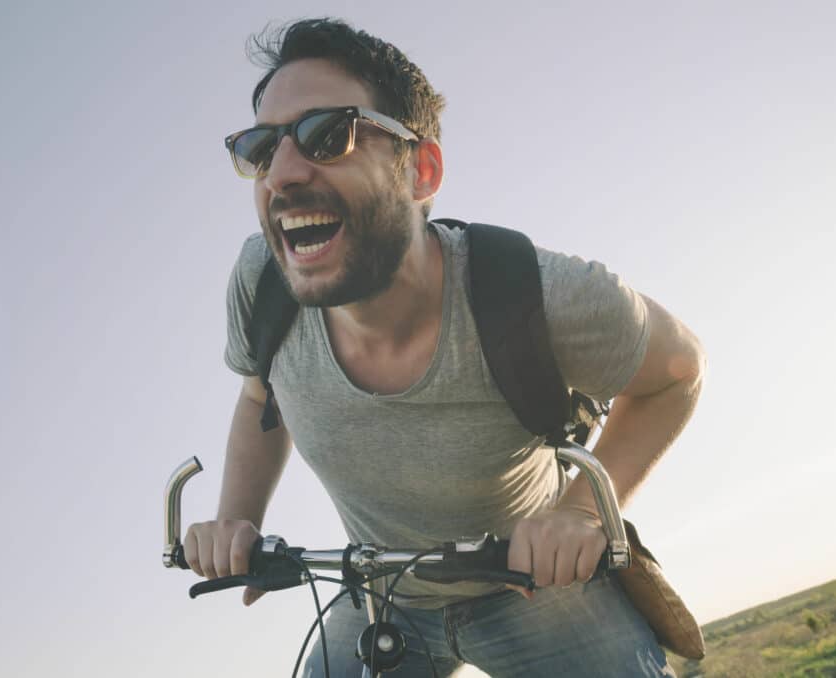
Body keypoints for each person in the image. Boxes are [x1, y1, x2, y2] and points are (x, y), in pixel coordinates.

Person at [186, 18, 704, 677]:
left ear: (421, 170)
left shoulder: (537, 293)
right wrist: (236, 520)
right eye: (260, 149)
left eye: (326, 134)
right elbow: (262, 396)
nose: (281, 174)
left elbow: (679, 370)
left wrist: (582, 512)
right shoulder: (263, 285)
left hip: (537, 587)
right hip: (381, 595)